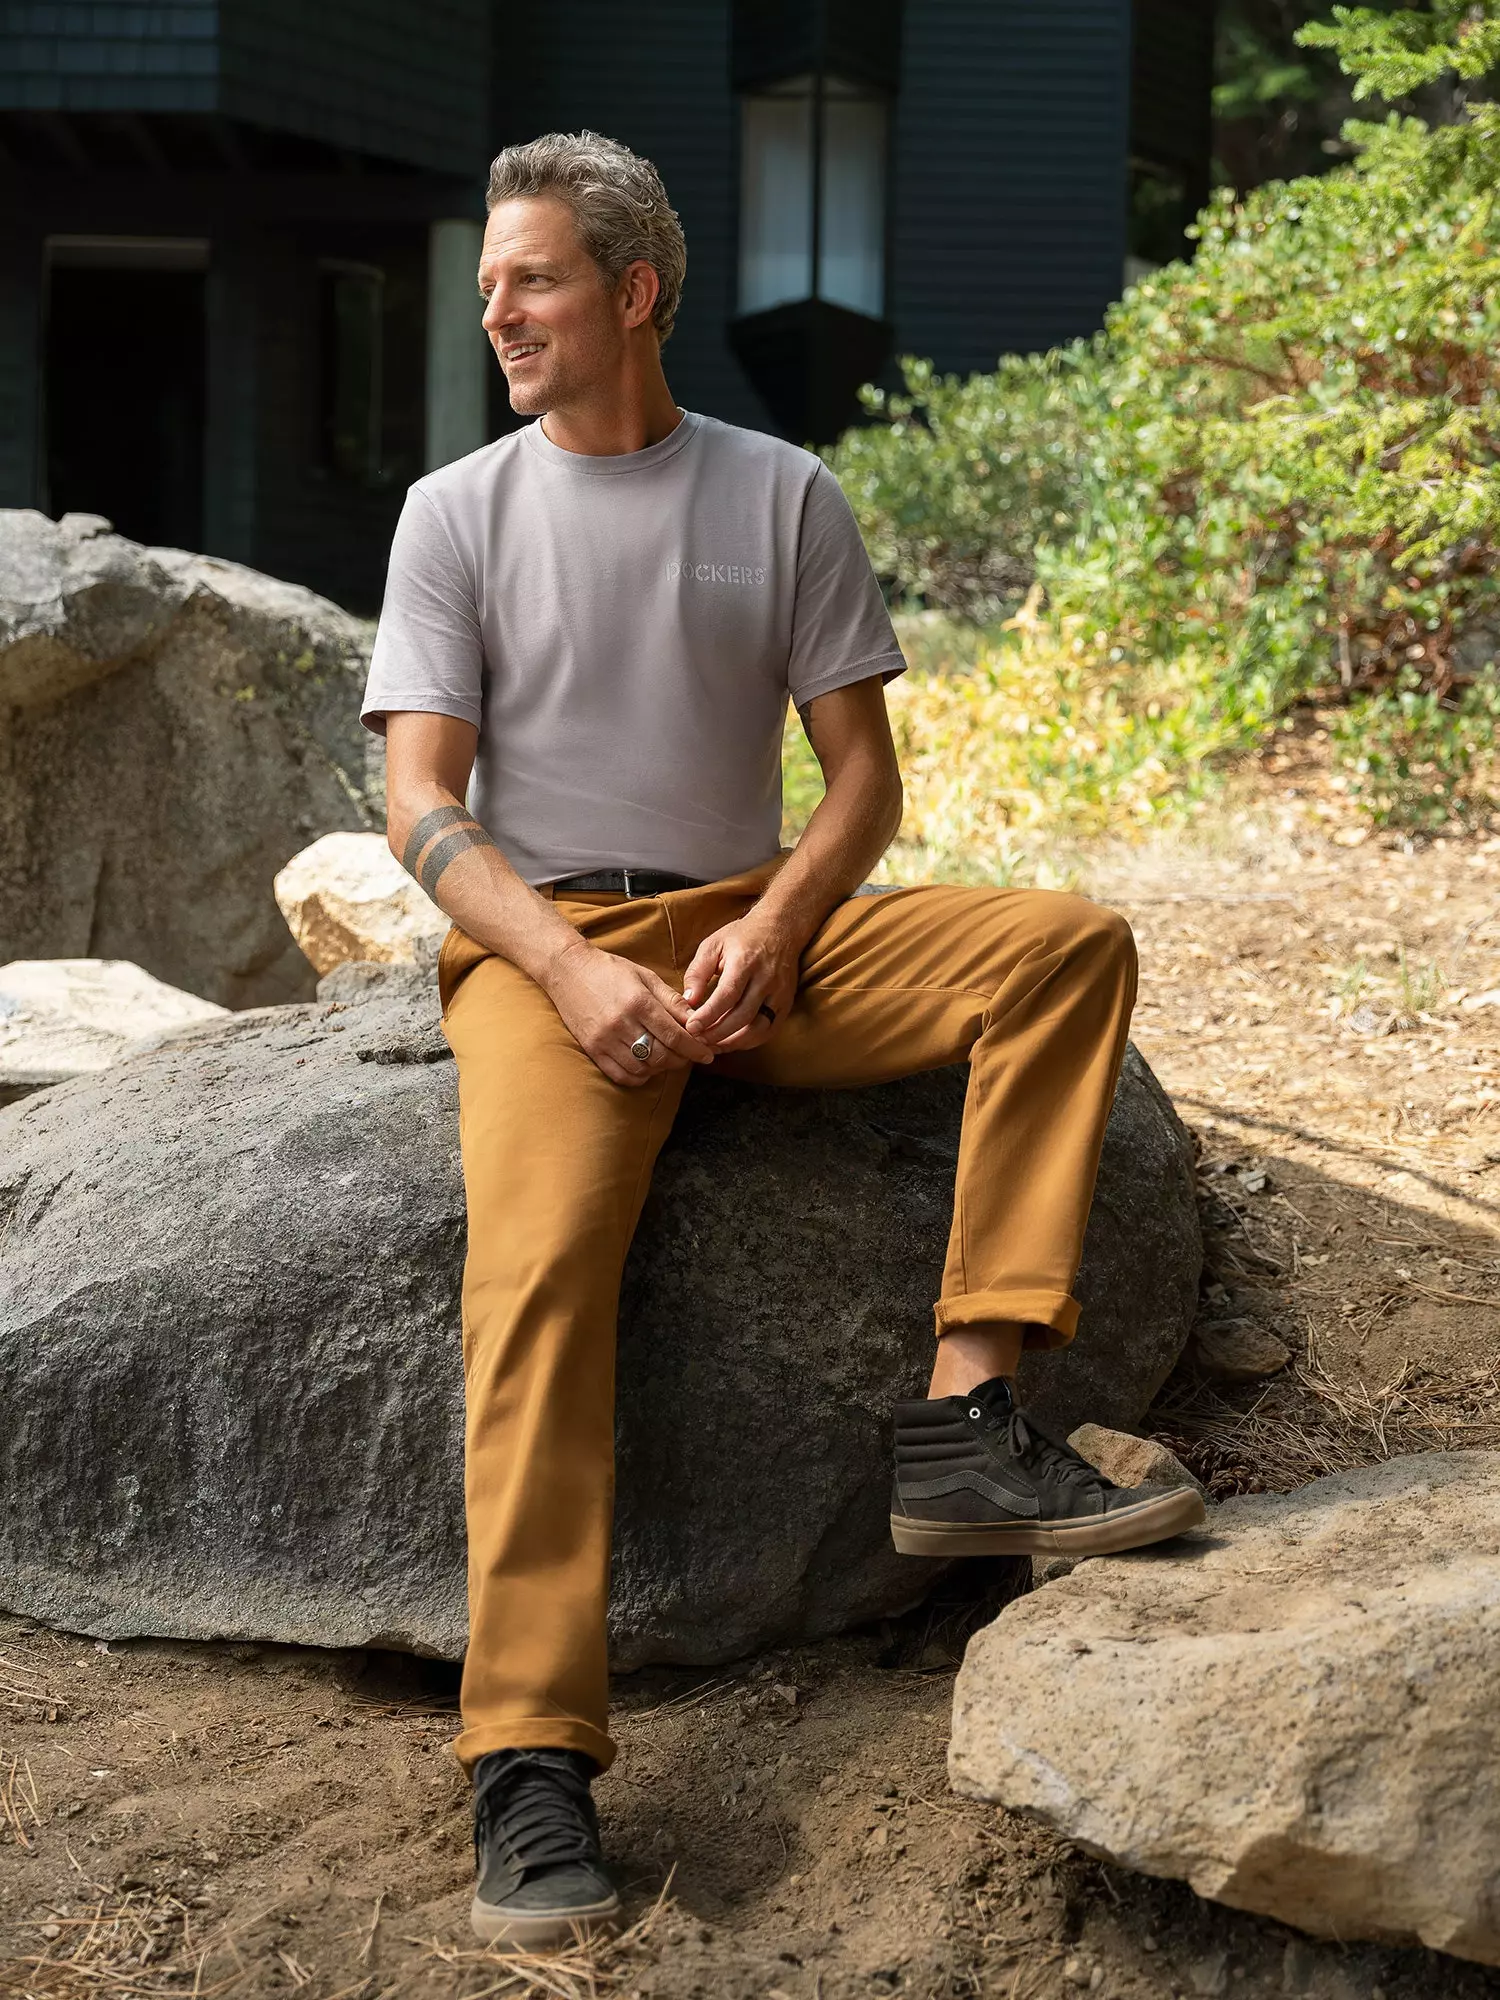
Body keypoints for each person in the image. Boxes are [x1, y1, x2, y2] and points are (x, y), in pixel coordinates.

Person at [361, 129, 1204, 1952]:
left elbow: (866, 782)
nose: (495, 305)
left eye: (533, 277)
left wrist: (778, 919)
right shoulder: (458, 513)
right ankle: (527, 1761)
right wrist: (572, 973)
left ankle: (973, 1421)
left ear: (634, 292)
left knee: (1065, 948)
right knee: (537, 1283)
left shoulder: (779, 495)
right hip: (547, 954)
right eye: (492, 281)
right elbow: (417, 801)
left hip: (760, 943)